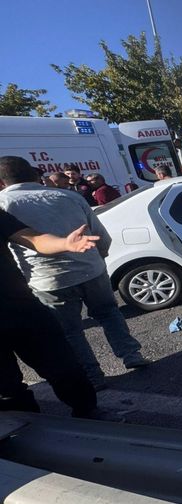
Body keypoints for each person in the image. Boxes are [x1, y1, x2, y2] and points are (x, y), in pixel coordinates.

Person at [0, 157, 149, 390]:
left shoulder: (4, 203)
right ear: (34, 175)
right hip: (91, 269)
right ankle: (131, 355)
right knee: (109, 313)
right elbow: (100, 234)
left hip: (48, 279)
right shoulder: (68, 196)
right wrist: (99, 258)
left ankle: (93, 376)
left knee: (71, 331)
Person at [0, 207, 119, 420]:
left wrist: (65, 244)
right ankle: (25, 431)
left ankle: (88, 411)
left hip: (22, 310)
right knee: (7, 388)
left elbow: (34, 239)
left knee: (66, 368)